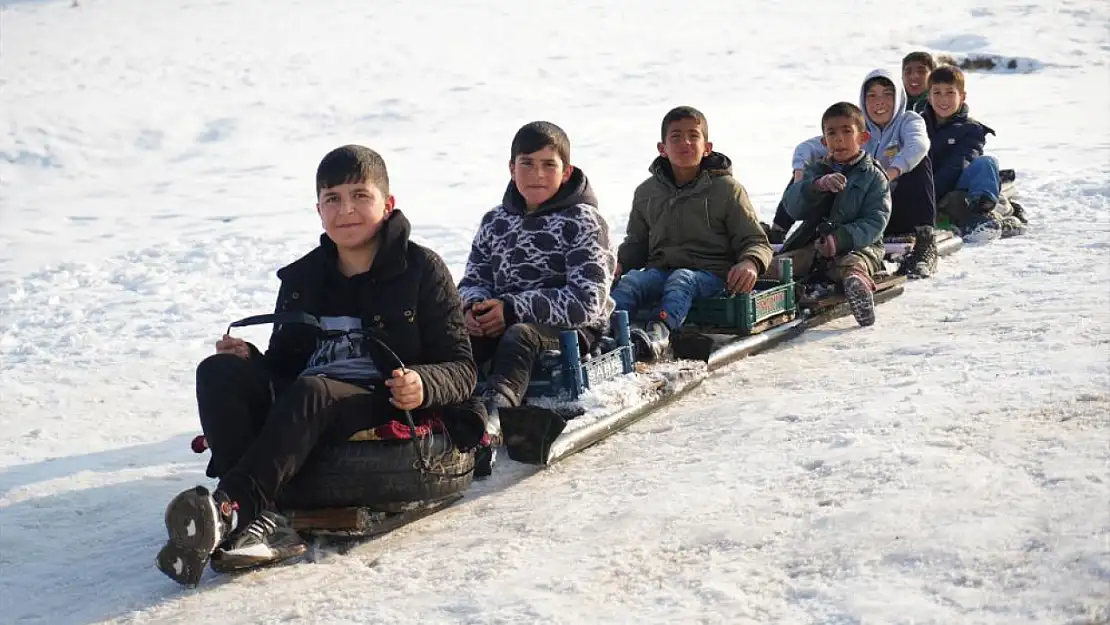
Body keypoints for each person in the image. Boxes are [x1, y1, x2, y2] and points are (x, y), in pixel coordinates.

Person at [156, 145, 485, 587]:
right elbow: (284, 367)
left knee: (314, 391)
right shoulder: (302, 278)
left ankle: (231, 508)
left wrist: (423, 383)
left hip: (383, 399)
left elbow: (462, 368)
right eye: (332, 199)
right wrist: (250, 360)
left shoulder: (421, 269)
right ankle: (263, 520)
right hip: (308, 401)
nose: (346, 210)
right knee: (216, 371)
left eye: (359, 196)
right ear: (318, 209)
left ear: (387, 205)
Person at [457, 121, 615, 475]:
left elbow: (586, 301)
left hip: (572, 330)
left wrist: (512, 310)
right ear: (512, 169)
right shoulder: (494, 221)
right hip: (500, 318)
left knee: (520, 336)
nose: (537, 174)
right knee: (456, 339)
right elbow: (473, 277)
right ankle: (447, 414)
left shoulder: (584, 221)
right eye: (527, 163)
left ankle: (494, 422)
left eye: (549, 164)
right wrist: (474, 307)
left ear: (566, 171)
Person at [612, 106, 773, 360]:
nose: (685, 142)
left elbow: (754, 240)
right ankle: (605, 333)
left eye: (693, 136)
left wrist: (750, 262)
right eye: (675, 137)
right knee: (632, 282)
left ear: (707, 147)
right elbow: (637, 242)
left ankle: (659, 335)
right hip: (661, 271)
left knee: (682, 279)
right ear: (662, 148)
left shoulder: (727, 189)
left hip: (712, 276)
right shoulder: (646, 193)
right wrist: (619, 263)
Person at [772, 69, 937, 278]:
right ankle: (778, 230)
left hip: (889, 207)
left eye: (887, 94)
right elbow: (808, 148)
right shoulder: (853, 127)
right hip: (855, 212)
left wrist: (887, 174)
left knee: (920, 162)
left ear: (898, 97)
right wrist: (800, 178)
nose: (879, 102)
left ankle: (925, 239)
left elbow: (918, 145)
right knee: (813, 172)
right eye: (872, 95)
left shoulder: (908, 120)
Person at [773, 102, 892, 327]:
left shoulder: (874, 176)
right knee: (777, 268)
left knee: (852, 267)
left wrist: (840, 239)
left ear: (863, 138)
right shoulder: (816, 170)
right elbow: (792, 207)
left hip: (858, 248)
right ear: (823, 141)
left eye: (847, 131)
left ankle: (859, 290)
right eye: (832, 133)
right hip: (813, 247)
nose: (839, 139)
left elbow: (876, 221)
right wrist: (815, 186)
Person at [923, 64, 1026, 242]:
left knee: (986, 163)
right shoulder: (917, 125)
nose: (943, 99)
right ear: (929, 97)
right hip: (927, 191)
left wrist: (930, 193)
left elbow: (960, 164)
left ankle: (981, 214)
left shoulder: (972, 129)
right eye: (937, 93)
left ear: (962, 96)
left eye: (950, 92)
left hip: (956, 189)